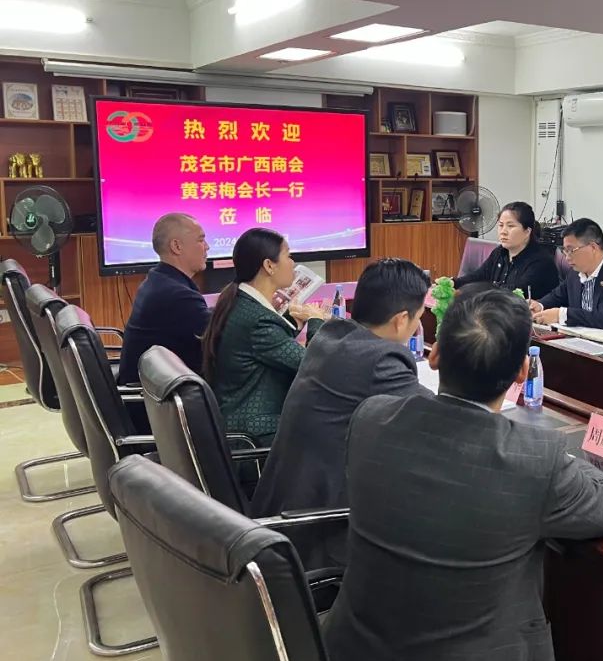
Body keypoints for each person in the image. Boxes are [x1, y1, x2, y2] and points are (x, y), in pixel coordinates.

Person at [322, 287, 603, 661]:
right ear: (522, 372)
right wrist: (557, 454)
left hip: (354, 651)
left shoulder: (371, 417)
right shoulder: (535, 460)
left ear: (435, 355)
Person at [250, 259, 433, 520]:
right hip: (316, 523)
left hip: (281, 505)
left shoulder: (331, 336)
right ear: (402, 320)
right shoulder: (378, 359)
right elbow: (440, 417)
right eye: (419, 316)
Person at [200, 227, 327, 444]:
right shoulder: (259, 321)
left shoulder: (239, 302)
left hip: (240, 423)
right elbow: (314, 366)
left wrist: (293, 323)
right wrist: (316, 321)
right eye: (288, 256)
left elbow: (268, 347)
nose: (292, 263)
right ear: (269, 266)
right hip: (256, 436)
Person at [117, 213, 210, 384]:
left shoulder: (159, 280)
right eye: (201, 240)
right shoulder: (177, 295)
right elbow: (222, 336)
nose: (207, 247)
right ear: (177, 246)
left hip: (154, 387)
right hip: (155, 395)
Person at [530, 218, 603, 334]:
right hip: (582, 340)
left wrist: (562, 315)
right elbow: (557, 296)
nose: (567, 257)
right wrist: (540, 305)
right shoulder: (575, 272)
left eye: (571, 250)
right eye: (564, 251)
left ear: (593, 247)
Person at [453, 202, 560, 299]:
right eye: (500, 225)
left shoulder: (541, 262)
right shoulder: (500, 252)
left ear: (527, 231)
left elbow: (514, 292)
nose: (503, 231)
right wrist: (452, 283)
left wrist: (468, 292)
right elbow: (478, 276)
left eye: (510, 226)